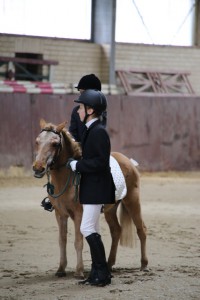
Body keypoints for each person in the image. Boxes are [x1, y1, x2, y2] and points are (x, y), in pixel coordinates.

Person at [67, 89, 115, 287]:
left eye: (81, 107)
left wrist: (77, 165)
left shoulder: (98, 132)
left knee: (86, 227)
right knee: (93, 228)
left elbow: (101, 163)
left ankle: (102, 274)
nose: (78, 111)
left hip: (97, 188)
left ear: (90, 110)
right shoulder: (91, 129)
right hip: (91, 187)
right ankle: (98, 272)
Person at [69, 73, 107, 143]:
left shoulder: (100, 112)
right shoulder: (76, 111)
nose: (81, 95)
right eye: (80, 92)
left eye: (83, 92)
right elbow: (72, 133)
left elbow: (97, 134)